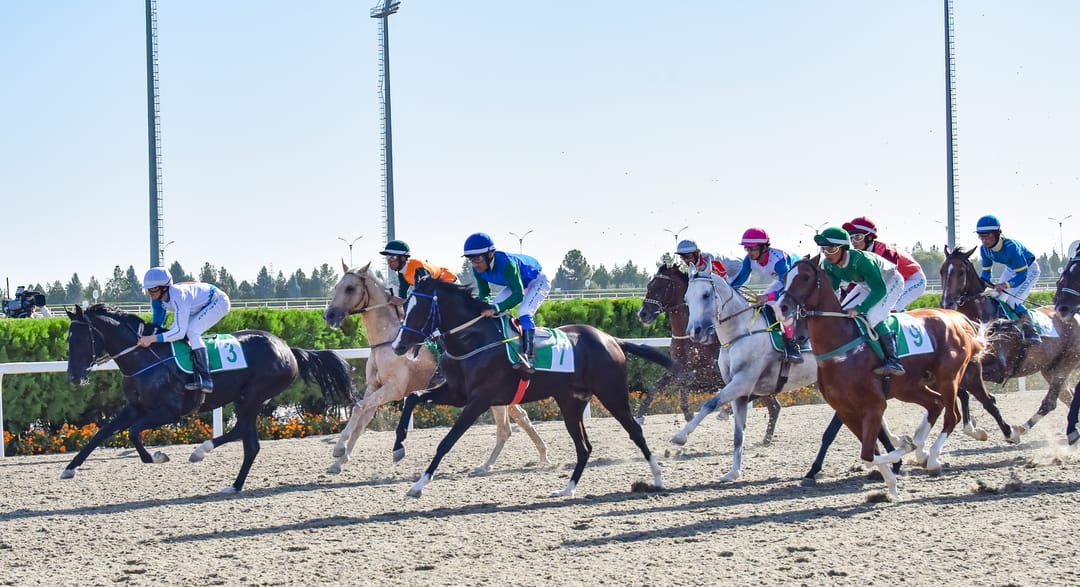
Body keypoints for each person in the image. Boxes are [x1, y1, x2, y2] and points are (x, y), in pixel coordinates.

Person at [814, 227, 905, 376]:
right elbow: (833, 290)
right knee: (842, 313)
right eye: (824, 249)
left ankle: (894, 360)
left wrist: (860, 308)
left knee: (872, 316)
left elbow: (879, 290)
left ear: (843, 248)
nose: (826, 253)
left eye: (831, 249)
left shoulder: (863, 261)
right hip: (865, 285)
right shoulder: (829, 265)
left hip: (889, 282)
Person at [463, 232, 550, 374]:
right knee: (495, 305)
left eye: (477, 259)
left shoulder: (508, 264)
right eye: (471, 260)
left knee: (524, 311)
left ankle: (529, 356)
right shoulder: (476, 270)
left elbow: (518, 295)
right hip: (516, 283)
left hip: (537, 280)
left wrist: (495, 308)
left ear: (490, 254)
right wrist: (481, 306)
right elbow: (485, 293)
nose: (475, 264)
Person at [136, 267, 232, 393]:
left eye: (153, 289)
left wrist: (151, 339)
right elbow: (157, 325)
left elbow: (179, 333)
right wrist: (147, 337)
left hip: (218, 301)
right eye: (148, 289)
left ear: (164, 287)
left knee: (192, 332)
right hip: (196, 306)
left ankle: (206, 379)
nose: (150, 292)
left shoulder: (178, 295)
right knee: (171, 332)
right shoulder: (157, 301)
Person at [727, 228, 802, 362]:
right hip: (782, 282)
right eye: (746, 248)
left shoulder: (779, 261)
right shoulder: (749, 259)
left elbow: (787, 287)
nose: (749, 252)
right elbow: (740, 278)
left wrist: (767, 297)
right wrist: (728, 292)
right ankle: (774, 335)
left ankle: (792, 346)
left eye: (752, 249)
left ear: (764, 247)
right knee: (762, 305)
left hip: (797, 281)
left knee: (781, 307)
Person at [975, 214, 1041, 344]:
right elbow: (986, 275)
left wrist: (1005, 285)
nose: (984, 240)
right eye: (981, 236)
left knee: (1012, 300)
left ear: (997, 233)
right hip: (1011, 269)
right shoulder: (984, 250)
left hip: (1029, 269)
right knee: (997, 298)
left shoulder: (1011, 247)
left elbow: (1022, 275)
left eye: (987, 236)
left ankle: (1031, 331)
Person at [841, 216, 927, 312]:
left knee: (885, 310)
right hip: (885, 283)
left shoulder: (886, 253)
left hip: (913, 280)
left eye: (858, 237)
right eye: (851, 238)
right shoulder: (858, 255)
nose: (853, 242)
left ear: (869, 237)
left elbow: (890, 282)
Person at [379, 239, 458, 304]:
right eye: (387, 257)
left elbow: (424, 296)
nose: (389, 261)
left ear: (403, 258)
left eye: (392, 257)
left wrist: (402, 301)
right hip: (436, 287)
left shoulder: (418, 269)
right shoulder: (402, 273)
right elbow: (402, 296)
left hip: (449, 281)